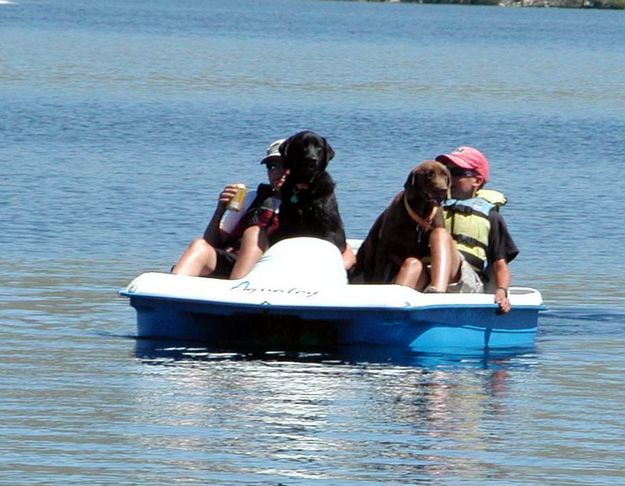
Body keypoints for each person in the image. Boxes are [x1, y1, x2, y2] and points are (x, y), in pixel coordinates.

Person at [171, 139, 287, 279]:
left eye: (284, 165)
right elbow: (212, 244)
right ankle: (168, 293)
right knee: (199, 245)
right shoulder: (252, 199)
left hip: (271, 270)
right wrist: (221, 209)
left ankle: (235, 292)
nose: (277, 171)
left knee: (254, 232)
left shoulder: (307, 206)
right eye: (272, 166)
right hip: (233, 262)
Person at [434, 146, 519, 314]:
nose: (449, 178)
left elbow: (500, 265)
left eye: (457, 173)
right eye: (446, 172)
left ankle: (437, 297)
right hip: (430, 272)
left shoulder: (491, 217)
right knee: (412, 264)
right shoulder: (434, 209)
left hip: (467, 281)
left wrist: (501, 291)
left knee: (440, 235)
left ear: (477, 181)